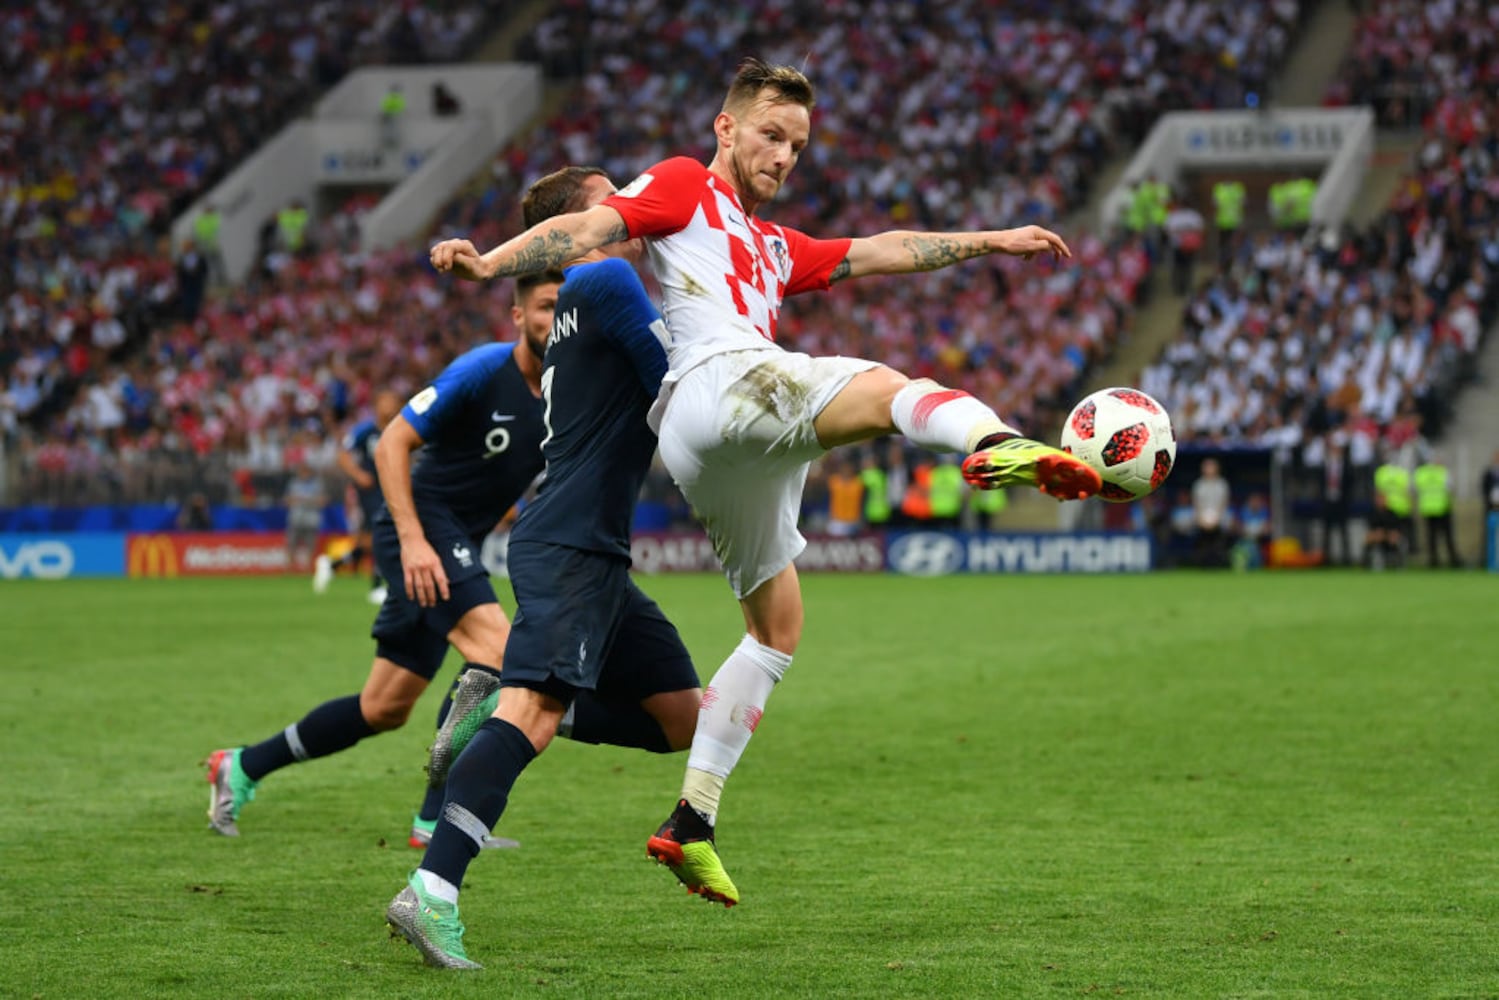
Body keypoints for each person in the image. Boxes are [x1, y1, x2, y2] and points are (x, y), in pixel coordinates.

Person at [428, 58, 1101, 906]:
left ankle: (692, 821)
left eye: (797, 145)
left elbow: (880, 249)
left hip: (725, 448)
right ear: (725, 129)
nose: (784, 156)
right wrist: (490, 264)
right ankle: (994, 443)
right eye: (769, 136)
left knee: (776, 627)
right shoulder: (681, 187)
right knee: (889, 388)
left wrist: (989, 241)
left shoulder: (773, 245)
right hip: (720, 385)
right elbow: (592, 230)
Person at [205, 270, 694, 848]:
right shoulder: (483, 370)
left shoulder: (568, 387)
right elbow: (392, 442)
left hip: (458, 537)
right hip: (420, 529)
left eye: (560, 308)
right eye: (542, 307)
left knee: (383, 706)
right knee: (500, 654)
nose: (553, 319)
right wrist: (412, 541)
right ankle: (436, 820)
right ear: (517, 316)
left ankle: (240, 765)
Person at [386, 166, 702, 969]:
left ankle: (507, 701)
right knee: (525, 718)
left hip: (590, 547)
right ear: (573, 226)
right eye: (611, 195)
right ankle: (433, 889)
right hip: (568, 546)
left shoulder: (574, 302)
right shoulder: (602, 276)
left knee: (684, 719)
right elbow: (680, 386)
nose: (628, 203)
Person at [315, 390, 402, 603]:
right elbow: (342, 455)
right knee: (383, 532)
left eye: (393, 401)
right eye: (385, 400)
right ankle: (377, 586)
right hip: (370, 490)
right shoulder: (366, 430)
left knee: (368, 540)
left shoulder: (400, 429)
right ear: (377, 404)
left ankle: (332, 565)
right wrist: (359, 475)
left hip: (390, 487)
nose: (389, 405)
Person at [283, 460, 326, 572]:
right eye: (301, 471)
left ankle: (308, 568)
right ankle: (289, 568)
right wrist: (296, 500)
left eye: (305, 471)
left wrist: (308, 500)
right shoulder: (294, 483)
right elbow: (287, 500)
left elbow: (323, 500)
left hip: (311, 520)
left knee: (310, 546)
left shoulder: (317, 484)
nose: (303, 474)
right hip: (296, 518)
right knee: (291, 544)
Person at [1190, 457, 1231, 567]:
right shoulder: (1198, 485)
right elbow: (1196, 505)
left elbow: (1223, 504)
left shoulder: (1222, 484)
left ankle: (1220, 559)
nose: (1208, 469)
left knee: (1226, 524)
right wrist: (1202, 520)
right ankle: (1201, 560)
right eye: (1206, 466)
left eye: (1211, 466)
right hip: (1202, 517)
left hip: (1219, 517)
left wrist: (1216, 520)